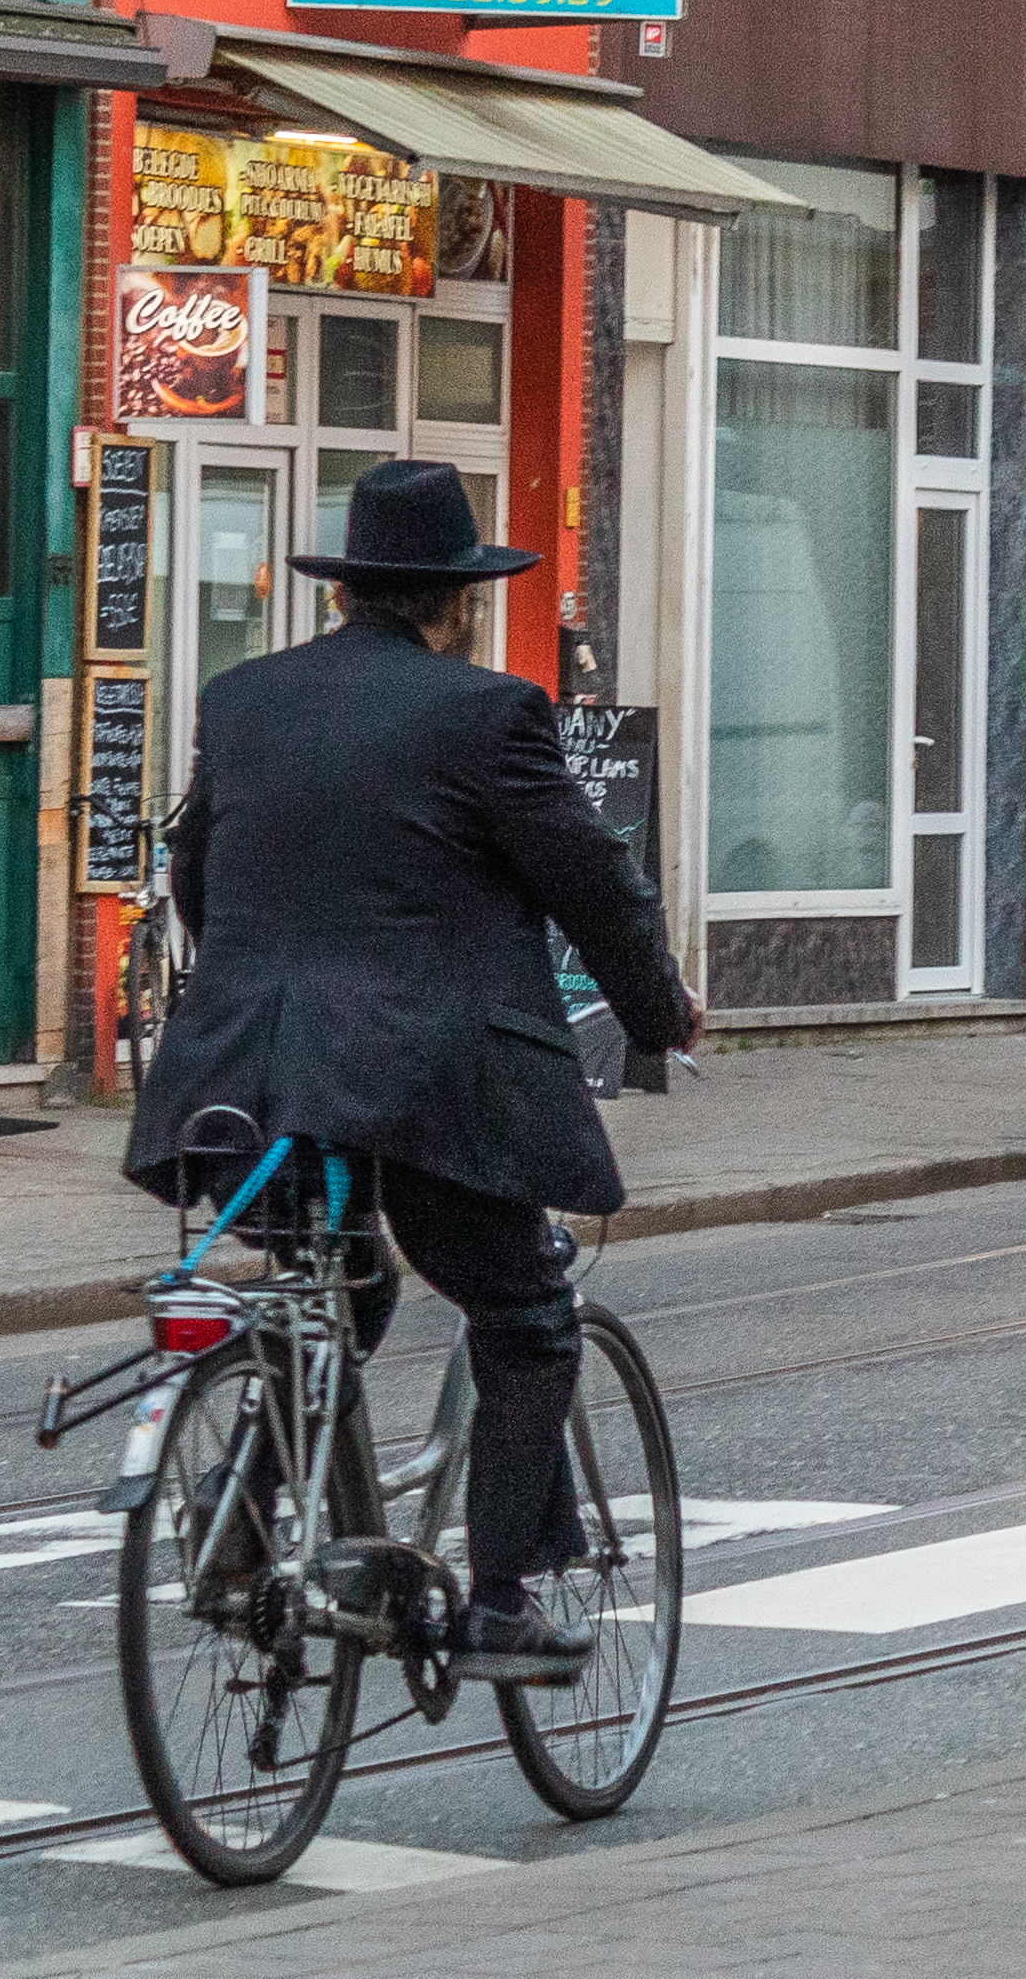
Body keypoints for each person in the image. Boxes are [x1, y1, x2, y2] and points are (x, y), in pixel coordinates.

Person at [123, 461, 698, 1676]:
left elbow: (195, 878)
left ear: (348, 593)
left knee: (338, 1290)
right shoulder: (487, 715)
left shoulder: (242, 700)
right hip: (427, 1082)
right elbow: (589, 880)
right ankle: (503, 1602)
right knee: (528, 1311)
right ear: (457, 600)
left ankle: (239, 1512)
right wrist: (660, 1011)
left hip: (250, 1077)